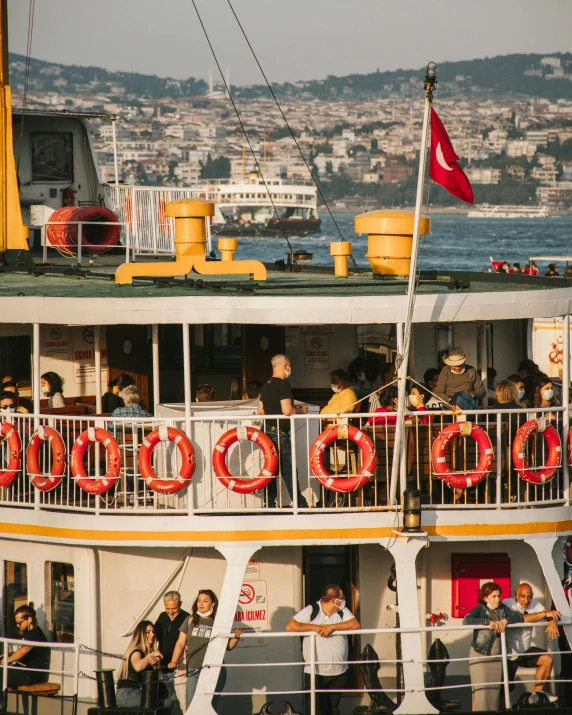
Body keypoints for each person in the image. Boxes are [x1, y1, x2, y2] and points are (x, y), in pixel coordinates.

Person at [286, 584, 360, 715]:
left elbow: (355, 624)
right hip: (316, 672)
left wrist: (332, 627)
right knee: (318, 709)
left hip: (339, 672)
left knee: (334, 707)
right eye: (342, 598)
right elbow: (291, 626)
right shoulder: (312, 609)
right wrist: (314, 628)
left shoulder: (342, 612)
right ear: (334, 600)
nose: (343, 601)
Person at [169, 589, 241, 710]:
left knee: (210, 708)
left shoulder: (219, 622)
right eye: (199, 601)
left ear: (213, 604)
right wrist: (174, 660)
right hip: (193, 670)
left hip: (215, 670)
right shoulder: (190, 619)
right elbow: (180, 643)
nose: (201, 604)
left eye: (205, 601)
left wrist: (236, 637)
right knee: (190, 708)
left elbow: (228, 647)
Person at [462, 581, 523, 712]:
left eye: (498, 596)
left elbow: (517, 616)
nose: (497, 599)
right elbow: (467, 620)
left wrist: (505, 620)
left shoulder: (502, 608)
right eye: (494, 596)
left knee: (494, 692)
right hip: (480, 655)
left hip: (496, 656)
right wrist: (488, 622)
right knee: (481, 692)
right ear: (486, 598)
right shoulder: (480, 608)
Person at [258, 355, 309, 509]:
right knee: (288, 469)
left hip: (266, 431)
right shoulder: (283, 385)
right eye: (289, 366)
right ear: (285, 365)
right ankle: (299, 504)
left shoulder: (265, 385)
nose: (290, 369)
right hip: (279, 432)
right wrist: (300, 410)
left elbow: (260, 411)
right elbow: (287, 410)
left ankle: (269, 503)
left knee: (271, 468)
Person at [504, 582, 560, 702]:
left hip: (525, 650)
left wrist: (552, 621)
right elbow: (521, 618)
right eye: (523, 596)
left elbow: (552, 613)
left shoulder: (534, 604)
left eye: (529, 596)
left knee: (547, 659)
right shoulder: (507, 603)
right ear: (516, 595)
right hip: (508, 653)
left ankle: (537, 695)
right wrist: (545, 614)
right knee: (503, 690)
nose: (526, 600)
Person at [154, 591, 190, 715]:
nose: (171, 611)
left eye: (174, 608)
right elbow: (154, 638)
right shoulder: (162, 617)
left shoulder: (187, 618)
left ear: (180, 604)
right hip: (164, 667)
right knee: (164, 702)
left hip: (180, 667)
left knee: (184, 703)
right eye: (167, 608)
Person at [116, 621, 165, 707]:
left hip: (137, 692)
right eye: (148, 632)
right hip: (127, 694)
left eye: (153, 632)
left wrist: (157, 664)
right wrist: (150, 655)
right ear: (140, 634)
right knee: (167, 703)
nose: (152, 634)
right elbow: (138, 667)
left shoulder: (146, 653)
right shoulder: (137, 651)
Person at [0, 605, 51, 687]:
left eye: (19, 623)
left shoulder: (35, 633)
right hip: (26, 672)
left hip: (31, 675)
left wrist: (6, 660)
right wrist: (8, 654)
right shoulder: (29, 633)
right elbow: (23, 650)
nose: (17, 625)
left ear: (29, 619)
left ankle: (2, 699)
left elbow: (24, 650)